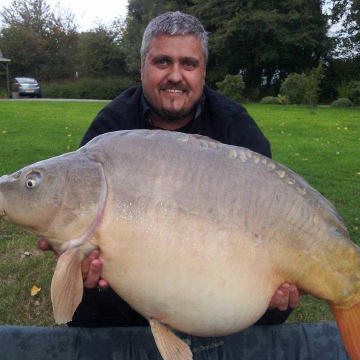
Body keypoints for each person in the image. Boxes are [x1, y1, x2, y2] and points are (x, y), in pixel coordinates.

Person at [39, 11, 300, 327]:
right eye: (162, 62)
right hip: (128, 304)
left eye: (188, 64)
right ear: (143, 67)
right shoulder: (111, 128)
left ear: (203, 72)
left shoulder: (236, 128)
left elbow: (276, 221)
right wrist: (81, 267)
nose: (175, 75)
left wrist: (276, 300)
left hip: (218, 291)